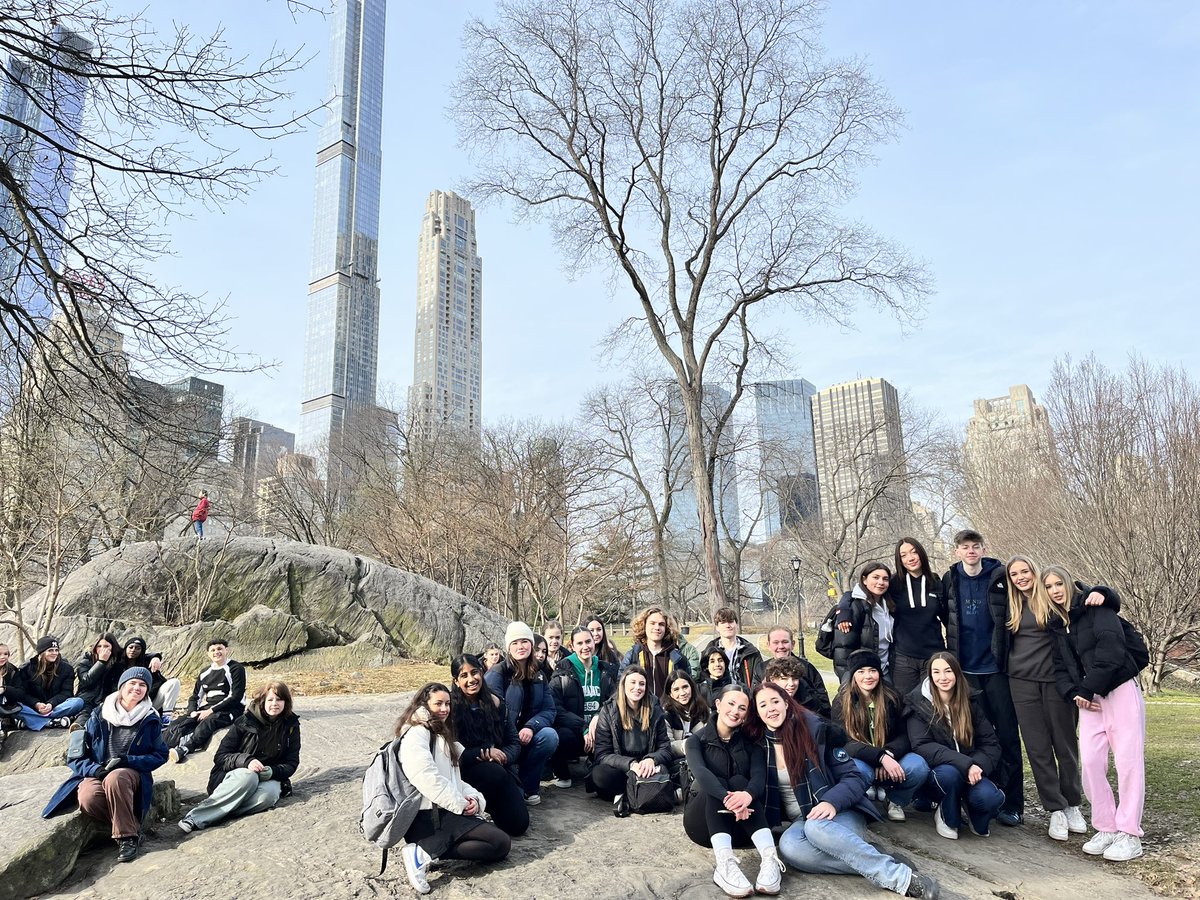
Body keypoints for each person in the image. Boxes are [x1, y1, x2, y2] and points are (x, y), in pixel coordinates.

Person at [749, 681, 940, 899]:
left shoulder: (816, 732)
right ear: (756, 712)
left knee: (816, 827)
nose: (770, 709)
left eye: (775, 701)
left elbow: (854, 776)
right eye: (762, 705)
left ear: (786, 702)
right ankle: (875, 857)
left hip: (841, 812)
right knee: (789, 848)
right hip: (800, 821)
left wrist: (830, 801)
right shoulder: (758, 745)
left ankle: (902, 879)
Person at [1047, 565, 1146, 862]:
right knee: (1090, 764)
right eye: (1049, 587)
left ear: (1069, 584)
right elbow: (1060, 668)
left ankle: (1129, 834)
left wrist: (1088, 688)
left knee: (1128, 764)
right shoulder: (1056, 625)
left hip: (1119, 692)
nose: (1055, 590)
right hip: (1088, 701)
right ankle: (1106, 827)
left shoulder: (1096, 607)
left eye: (1058, 584)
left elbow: (1112, 651)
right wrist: (1074, 693)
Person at [42, 666, 169, 863]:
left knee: (115, 778)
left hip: (130, 774)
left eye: (143, 685)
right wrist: (96, 770)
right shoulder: (98, 714)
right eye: (132, 683)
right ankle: (130, 826)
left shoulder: (150, 718)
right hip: (97, 771)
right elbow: (75, 758)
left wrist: (128, 761)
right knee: (88, 797)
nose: (137, 688)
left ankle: (127, 837)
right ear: (121, 686)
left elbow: (161, 754)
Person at [395, 683, 511, 895]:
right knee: (499, 841)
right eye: (438, 703)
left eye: (447, 703)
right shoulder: (416, 734)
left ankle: (426, 851)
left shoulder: (441, 732)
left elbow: (455, 779)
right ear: (424, 704)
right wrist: (459, 804)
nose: (444, 709)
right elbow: (426, 778)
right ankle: (420, 853)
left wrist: (474, 799)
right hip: (425, 817)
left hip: (444, 810)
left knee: (498, 846)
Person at [941, 529, 1024, 825]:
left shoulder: (999, 576)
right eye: (965, 547)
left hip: (997, 671)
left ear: (982, 549)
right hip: (966, 673)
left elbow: (1034, 588)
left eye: (976, 546)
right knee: (973, 739)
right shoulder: (950, 579)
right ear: (957, 552)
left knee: (1007, 738)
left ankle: (1013, 804)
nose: (971, 551)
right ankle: (982, 799)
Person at [1003, 556, 1086, 842]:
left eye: (1025, 571)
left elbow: (1085, 595)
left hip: (1055, 683)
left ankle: (1073, 803)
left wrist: (1105, 593)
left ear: (1035, 572)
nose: (1021, 577)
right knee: (1037, 748)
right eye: (1014, 574)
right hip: (1021, 683)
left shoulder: (1050, 599)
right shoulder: (1010, 605)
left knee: (1065, 744)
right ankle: (1055, 809)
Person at [683, 685, 782, 898]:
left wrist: (747, 795)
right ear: (718, 704)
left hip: (743, 828)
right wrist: (728, 799)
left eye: (742, 708)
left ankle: (769, 859)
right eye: (730, 704)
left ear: (747, 714)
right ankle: (724, 865)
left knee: (740, 782)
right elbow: (701, 774)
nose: (735, 711)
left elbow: (758, 777)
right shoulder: (695, 741)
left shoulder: (751, 742)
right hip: (704, 827)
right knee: (716, 781)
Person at [907, 651, 1005, 839]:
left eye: (948, 671)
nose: (942, 677)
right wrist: (964, 764)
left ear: (957, 674)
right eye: (936, 672)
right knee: (949, 775)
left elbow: (990, 743)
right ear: (930, 675)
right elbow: (922, 745)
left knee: (989, 798)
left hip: (973, 770)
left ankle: (973, 811)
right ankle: (946, 812)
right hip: (940, 773)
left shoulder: (970, 701)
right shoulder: (918, 704)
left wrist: (977, 766)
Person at [179, 681, 300, 833]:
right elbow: (221, 757)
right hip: (233, 778)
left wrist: (273, 771)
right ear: (262, 701)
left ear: (286, 702)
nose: (274, 704)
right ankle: (195, 817)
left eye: (279, 699)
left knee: (269, 796)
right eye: (270, 699)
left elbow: (292, 762)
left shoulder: (291, 725)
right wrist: (246, 761)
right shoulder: (244, 721)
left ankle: (218, 814)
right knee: (249, 776)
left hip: (267, 777)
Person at [832, 650, 930, 822]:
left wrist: (889, 753)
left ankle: (895, 800)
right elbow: (845, 741)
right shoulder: (842, 701)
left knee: (918, 766)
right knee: (856, 771)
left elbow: (905, 734)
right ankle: (860, 802)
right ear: (853, 675)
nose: (867, 676)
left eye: (872, 670)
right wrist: (879, 757)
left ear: (879, 672)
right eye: (861, 671)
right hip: (863, 758)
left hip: (892, 755)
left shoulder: (892, 697)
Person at [449, 653, 529, 837]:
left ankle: (489, 804)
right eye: (464, 676)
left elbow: (513, 742)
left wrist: (503, 756)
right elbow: (449, 753)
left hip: (499, 770)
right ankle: (467, 813)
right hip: (464, 773)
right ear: (456, 681)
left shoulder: (496, 703)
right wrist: (483, 752)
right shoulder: (450, 709)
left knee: (518, 825)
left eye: (474, 672)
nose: (471, 679)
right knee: (493, 772)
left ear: (482, 673)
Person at [484, 621, 559, 805]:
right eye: (515, 643)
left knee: (550, 736)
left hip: (527, 735)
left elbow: (549, 709)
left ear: (531, 644)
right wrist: (512, 736)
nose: (520, 646)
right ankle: (513, 784)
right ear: (508, 647)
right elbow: (494, 714)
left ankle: (530, 786)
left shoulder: (539, 675)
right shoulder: (497, 674)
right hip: (505, 740)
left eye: (525, 641)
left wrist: (531, 727)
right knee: (512, 800)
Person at [590, 665, 674, 815]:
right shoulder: (608, 711)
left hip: (648, 768)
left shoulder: (655, 709)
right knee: (600, 774)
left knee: (672, 768)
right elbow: (602, 754)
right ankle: (642, 792)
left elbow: (665, 748)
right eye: (632, 683)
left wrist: (651, 760)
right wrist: (630, 764)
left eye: (642, 684)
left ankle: (634, 794)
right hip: (622, 769)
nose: (637, 688)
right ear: (623, 685)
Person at [549, 626, 617, 789]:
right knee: (559, 735)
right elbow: (556, 708)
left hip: (600, 731)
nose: (585, 646)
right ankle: (562, 773)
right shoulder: (562, 671)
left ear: (594, 642)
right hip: (574, 731)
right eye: (579, 643)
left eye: (588, 641)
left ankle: (595, 767)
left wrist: (597, 718)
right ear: (572, 646)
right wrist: (584, 727)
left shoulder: (606, 670)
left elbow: (614, 701)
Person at [165, 637, 246, 763]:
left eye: (220, 649)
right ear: (208, 654)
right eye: (212, 650)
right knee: (178, 723)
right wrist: (192, 712)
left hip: (232, 709)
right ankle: (163, 747)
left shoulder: (236, 668)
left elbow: (235, 696)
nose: (216, 652)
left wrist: (210, 711)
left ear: (227, 650)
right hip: (208, 707)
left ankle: (185, 749)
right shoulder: (205, 672)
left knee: (209, 722)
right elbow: (195, 696)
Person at [888, 538, 948, 696]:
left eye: (914, 552)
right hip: (903, 659)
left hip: (934, 658)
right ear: (899, 560)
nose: (911, 558)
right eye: (904, 555)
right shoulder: (893, 584)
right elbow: (864, 589)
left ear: (921, 553)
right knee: (905, 707)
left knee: (933, 707)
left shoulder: (936, 582)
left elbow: (949, 619)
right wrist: (844, 609)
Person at [833, 563, 896, 682]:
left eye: (885, 579)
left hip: (885, 671)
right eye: (876, 577)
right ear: (864, 579)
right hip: (862, 677)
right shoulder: (853, 607)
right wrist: (848, 680)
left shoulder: (888, 605)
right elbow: (843, 649)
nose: (881, 582)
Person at [752, 626, 832, 719]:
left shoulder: (807, 668)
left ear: (793, 644)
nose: (781, 646)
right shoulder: (761, 669)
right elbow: (754, 701)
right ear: (768, 645)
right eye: (776, 642)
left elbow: (823, 703)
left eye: (785, 642)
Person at [6, 636, 83, 730]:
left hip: (56, 707)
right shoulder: (26, 669)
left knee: (78, 702)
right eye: (50, 650)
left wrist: (51, 704)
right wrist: (36, 704)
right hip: (34, 707)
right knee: (16, 706)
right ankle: (52, 722)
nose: (54, 653)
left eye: (56, 650)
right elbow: (23, 694)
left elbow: (66, 693)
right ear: (41, 652)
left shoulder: (67, 668)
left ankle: (34, 721)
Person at [620, 605, 692, 697]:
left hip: (668, 709)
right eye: (652, 623)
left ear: (666, 628)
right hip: (642, 708)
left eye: (661, 624)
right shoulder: (633, 655)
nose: (657, 628)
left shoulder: (677, 658)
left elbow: (689, 686)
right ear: (644, 625)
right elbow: (621, 684)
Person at [699, 607, 763, 688]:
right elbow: (702, 679)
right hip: (717, 697)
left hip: (745, 697)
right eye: (723, 622)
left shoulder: (751, 652)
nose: (727, 625)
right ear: (717, 627)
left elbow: (759, 680)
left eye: (730, 621)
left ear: (737, 624)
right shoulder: (708, 653)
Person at [121, 636, 183, 718]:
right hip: (125, 706)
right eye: (131, 647)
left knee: (174, 682)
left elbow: (158, 682)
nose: (133, 650)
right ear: (125, 648)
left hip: (148, 702)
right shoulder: (118, 665)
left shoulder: (148, 664)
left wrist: (156, 657)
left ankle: (166, 717)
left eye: (138, 648)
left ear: (142, 651)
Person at [74, 633, 124, 726]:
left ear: (113, 647)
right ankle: (78, 730)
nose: (102, 649)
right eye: (99, 646)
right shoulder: (86, 661)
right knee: (83, 716)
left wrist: (155, 657)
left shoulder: (119, 660)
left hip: (107, 699)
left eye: (106, 646)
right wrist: (101, 662)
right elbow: (86, 680)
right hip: (88, 698)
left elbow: (139, 653)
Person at [662, 669, 710, 758]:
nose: (682, 693)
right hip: (677, 762)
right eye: (676, 689)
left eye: (685, 687)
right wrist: (690, 745)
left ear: (691, 687)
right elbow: (667, 746)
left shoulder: (704, 710)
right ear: (670, 693)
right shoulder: (666, 715)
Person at [0, 643, 22, 733]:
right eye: (0, 654)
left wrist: (5, 689)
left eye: (6, 654)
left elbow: (20, 692)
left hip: (8, 707)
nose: (3, 657)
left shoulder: (12, 670)